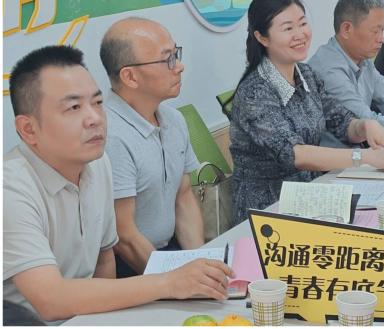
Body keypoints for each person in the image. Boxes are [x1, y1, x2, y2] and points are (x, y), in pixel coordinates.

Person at [4, 46, 233, 323]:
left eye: (97, 103)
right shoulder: (10, 189)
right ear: (28, 129)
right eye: (74, 107)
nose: (95, 119)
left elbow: (104, 258)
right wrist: (169, 282)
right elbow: (51, 300)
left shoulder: (97, 163)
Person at [229, 0, 384, 224]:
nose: (300, 34)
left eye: (302, 24)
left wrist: (366, 126)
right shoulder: (255, 92)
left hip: (312, 197)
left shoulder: (306, 75)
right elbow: (294, 153)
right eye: (288, 28)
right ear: (262, 38)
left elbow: (341, 122)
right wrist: (367, 157)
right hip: (268, 210)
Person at [96, 18, 205, 278]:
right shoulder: (110, 137)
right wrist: (175, 282)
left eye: (176, 54)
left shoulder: (174, 119)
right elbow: (124, 236)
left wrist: (200, 262)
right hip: (129, 266)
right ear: (130, 76)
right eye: (168, 59)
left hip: (169, 253)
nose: (179, 66)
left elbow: (183, 197)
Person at [307, 0, 384, 142]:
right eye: (375, 31)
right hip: (339, 153)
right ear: (346, 29)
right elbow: (366, 123)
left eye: (382, 30)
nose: (382, 39)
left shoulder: (362, 58)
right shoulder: (329, 69)